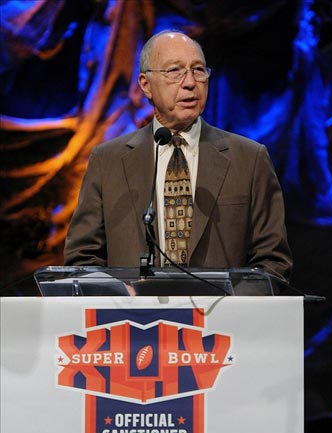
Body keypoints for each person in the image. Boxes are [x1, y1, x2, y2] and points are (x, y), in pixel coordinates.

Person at [64, 30, 292, 281]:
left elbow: (273, 261)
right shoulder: (108, 161)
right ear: (145, 85)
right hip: (134, 317)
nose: (190, 82)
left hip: (221, 318)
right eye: (175, 71)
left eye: (199, 70)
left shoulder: (250, 159)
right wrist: (119, 297)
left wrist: (232, 306)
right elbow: (82, 259)